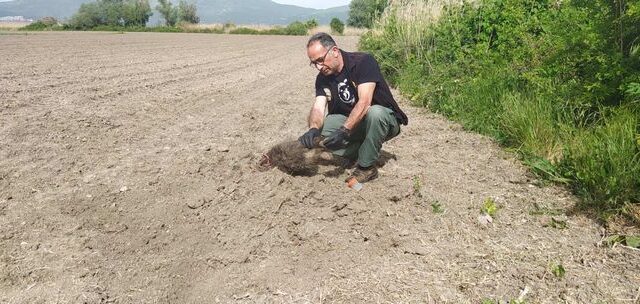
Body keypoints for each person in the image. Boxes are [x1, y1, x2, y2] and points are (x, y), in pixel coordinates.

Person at [298, 32, 408, 183]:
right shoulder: (322, 78)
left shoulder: (362, 62)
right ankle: (358, 151)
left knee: (375, 113)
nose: (319, 67)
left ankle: (366, 167)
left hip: (383, 120)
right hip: (354, 123)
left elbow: (364, 103)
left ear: (335, 51)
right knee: (323, 129)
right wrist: (313, 129)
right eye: (314, 63)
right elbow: (318, 107)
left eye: (321, 60)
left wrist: (344, 131)